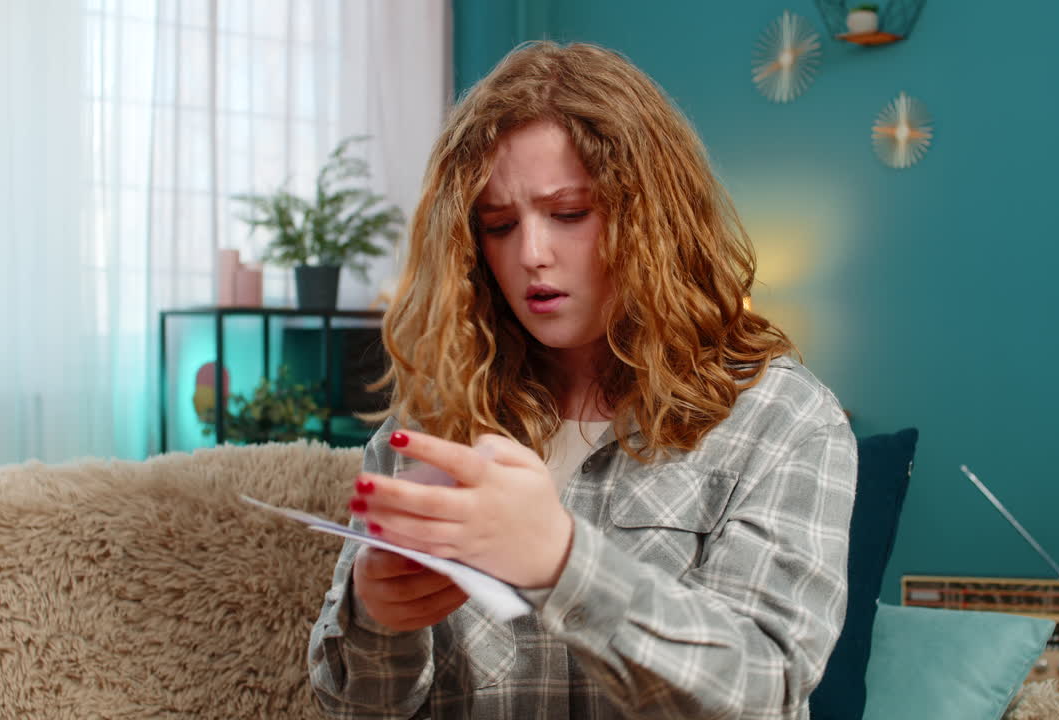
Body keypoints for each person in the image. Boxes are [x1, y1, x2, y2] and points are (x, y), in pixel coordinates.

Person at [308, 41, 856, 720]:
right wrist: (377, 618)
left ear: (653, 220)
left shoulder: (784, 419)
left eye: (569, 214)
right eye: (500, 225)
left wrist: (563, 563)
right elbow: (353, 707)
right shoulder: (431, 425)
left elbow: (762, 688)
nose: (531, 254)